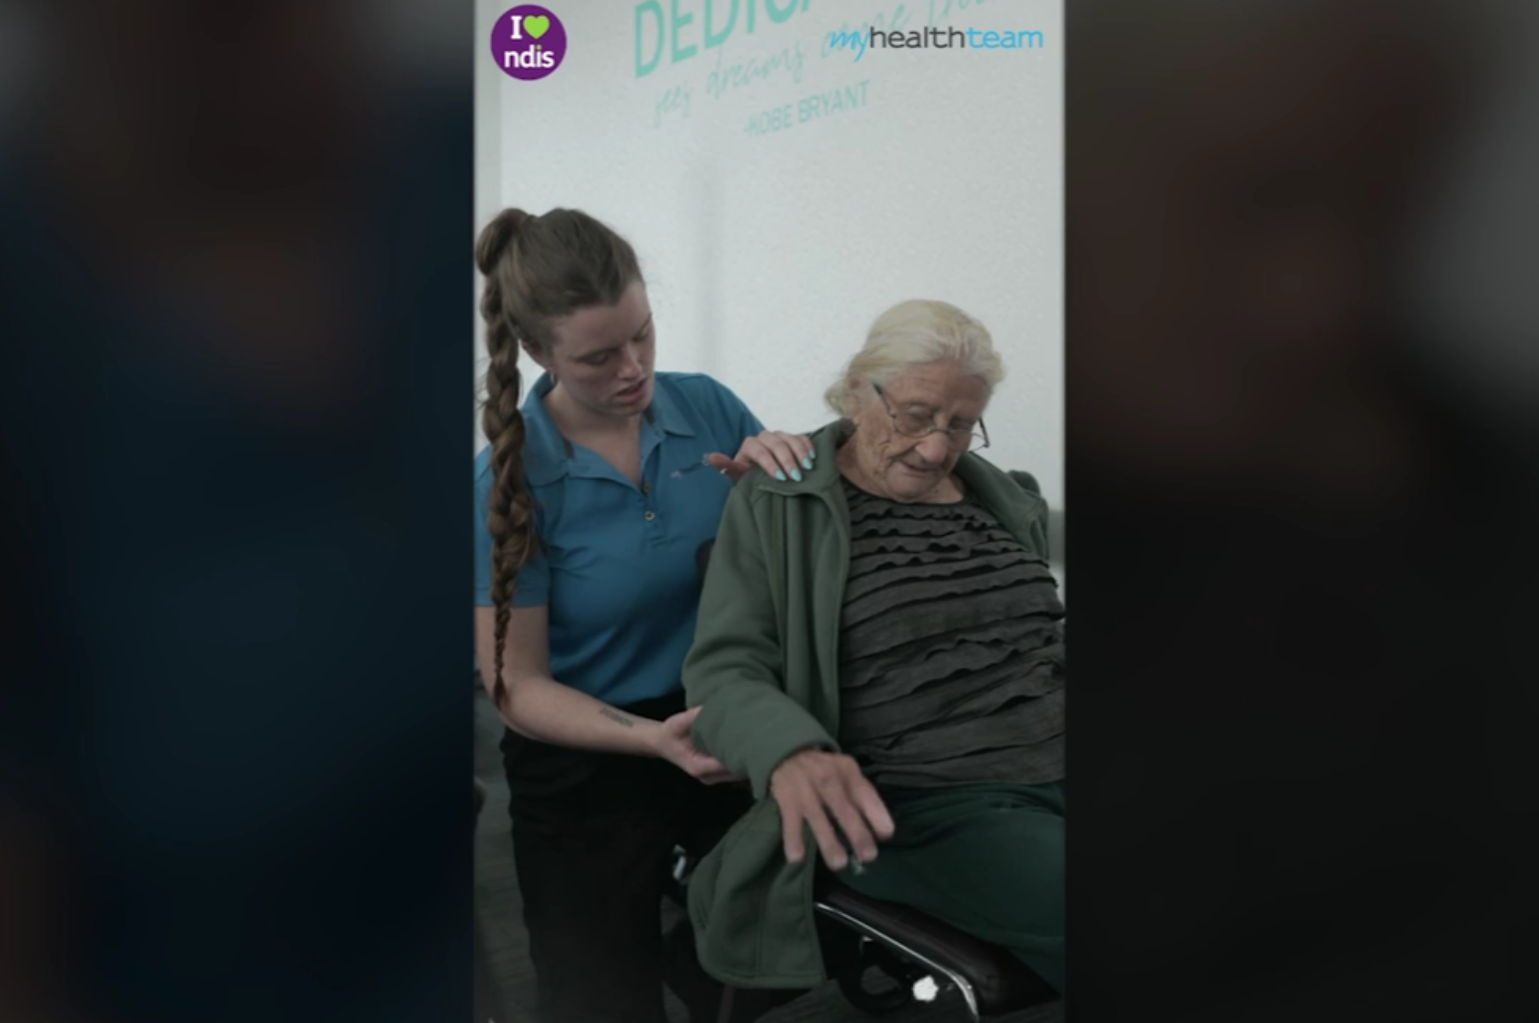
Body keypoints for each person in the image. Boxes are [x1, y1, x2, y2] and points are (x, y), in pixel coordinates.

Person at [472, 207, 817, 1023]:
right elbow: (514, 685)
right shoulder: (507, 482)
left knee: (785, 943)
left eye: (644, 335)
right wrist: (646, 741)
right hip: (587, 748)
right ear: (536, 354)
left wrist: (782, 484)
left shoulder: (706, 406)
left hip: (717, 713)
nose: (633, 368)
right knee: (595, 998)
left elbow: (782, 568)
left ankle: (696, 951)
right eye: (598, 357)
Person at [681, 299, 1066, 995]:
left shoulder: (1002, 500)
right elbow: (723, 667)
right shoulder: (781, 501)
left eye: (959, 424)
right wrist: (788, 749)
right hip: (930, 802)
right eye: (916, 415)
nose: (934, 447)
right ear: (858, 387)